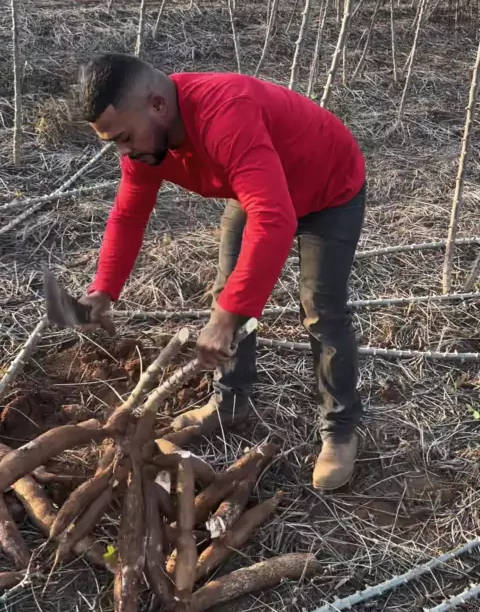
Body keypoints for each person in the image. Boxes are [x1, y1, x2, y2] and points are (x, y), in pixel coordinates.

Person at [75, 52, 366, 491]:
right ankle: (230, 403)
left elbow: (274, 220)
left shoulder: (225, 114)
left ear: (158, 105)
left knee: (321, 309)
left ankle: (340, 429)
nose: (124, 151)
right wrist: (103, 289)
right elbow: (129, 215)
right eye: (114, 142)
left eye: (125, 137)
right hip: (260, 188)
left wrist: (227, 319)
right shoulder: (144, 143)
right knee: (227, 291)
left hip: (328, 187)